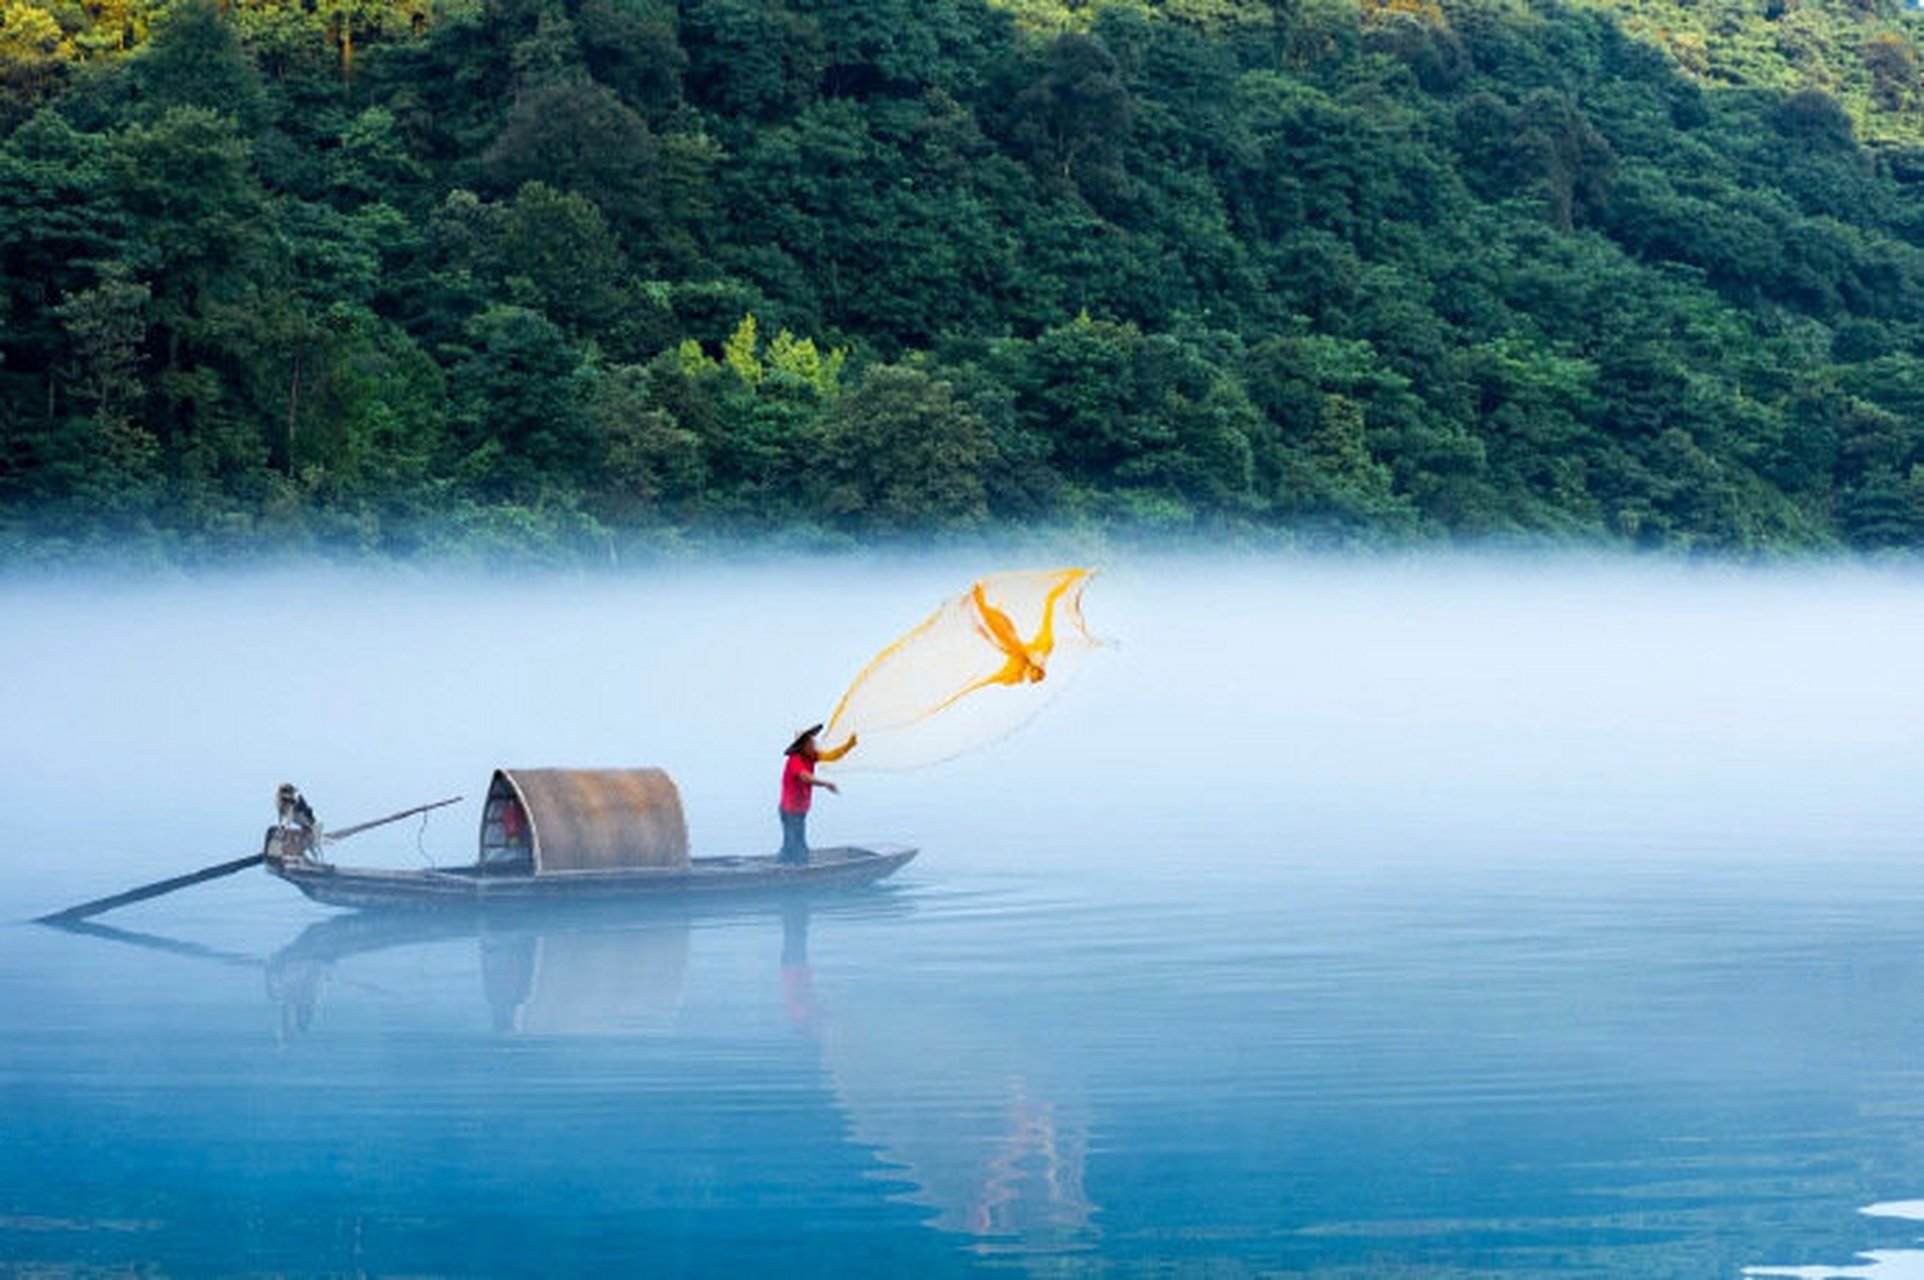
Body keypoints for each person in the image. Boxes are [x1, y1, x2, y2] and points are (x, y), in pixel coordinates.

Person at [778, 724, 854, 866]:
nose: (815, 745)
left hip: (799, 810)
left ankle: (785, 867)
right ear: (802, 746)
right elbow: (806, 777)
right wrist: (826, 784)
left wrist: (848, 746)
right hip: (790, 811)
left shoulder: (811, 757)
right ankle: (800, 870)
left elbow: (832, 756)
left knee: (792, 843)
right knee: (797, 844)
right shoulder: (795, 760)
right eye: (811, 743)